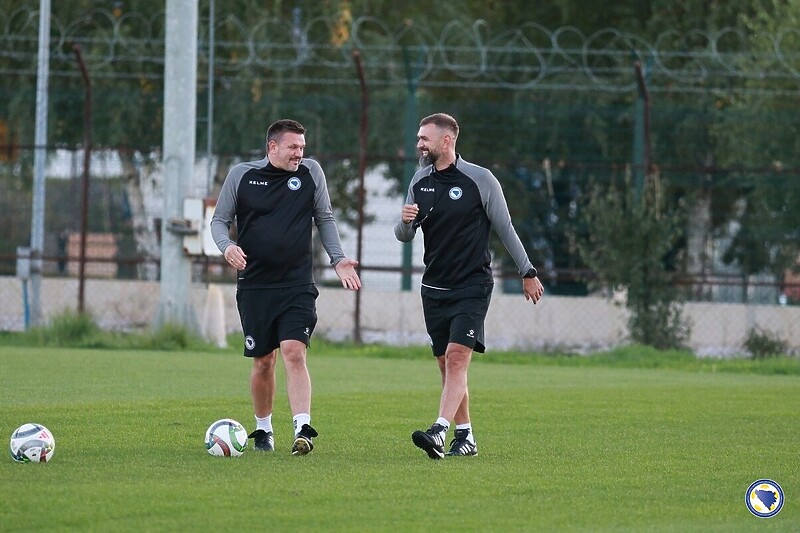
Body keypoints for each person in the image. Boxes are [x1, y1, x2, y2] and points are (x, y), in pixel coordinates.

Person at [394, 113, 544, 459]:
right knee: (446, 366)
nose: (419, 144)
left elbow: (505, 227)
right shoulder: (420, 181)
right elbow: (404, 235)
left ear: (446, 141)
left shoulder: (481, 179)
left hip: (472, 286)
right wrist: (404, 223)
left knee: (458, 358)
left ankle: (439, 431)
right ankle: (466, 435)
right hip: (433, 288)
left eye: (425, 138)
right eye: (418, 138)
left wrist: (527, 270)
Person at [211, 118, 361, 456]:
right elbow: (219, 220)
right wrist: (227, 246)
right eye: (293, 147)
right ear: (272, 147)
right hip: (255, 285)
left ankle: (302, 428)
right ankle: (263, 429)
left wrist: (337, 259)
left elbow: (325, 218)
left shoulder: (311, 173)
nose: (300, 154)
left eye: (302, 148)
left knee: (294, 351)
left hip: (296, 283)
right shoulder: (242, 175)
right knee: (264, 360)